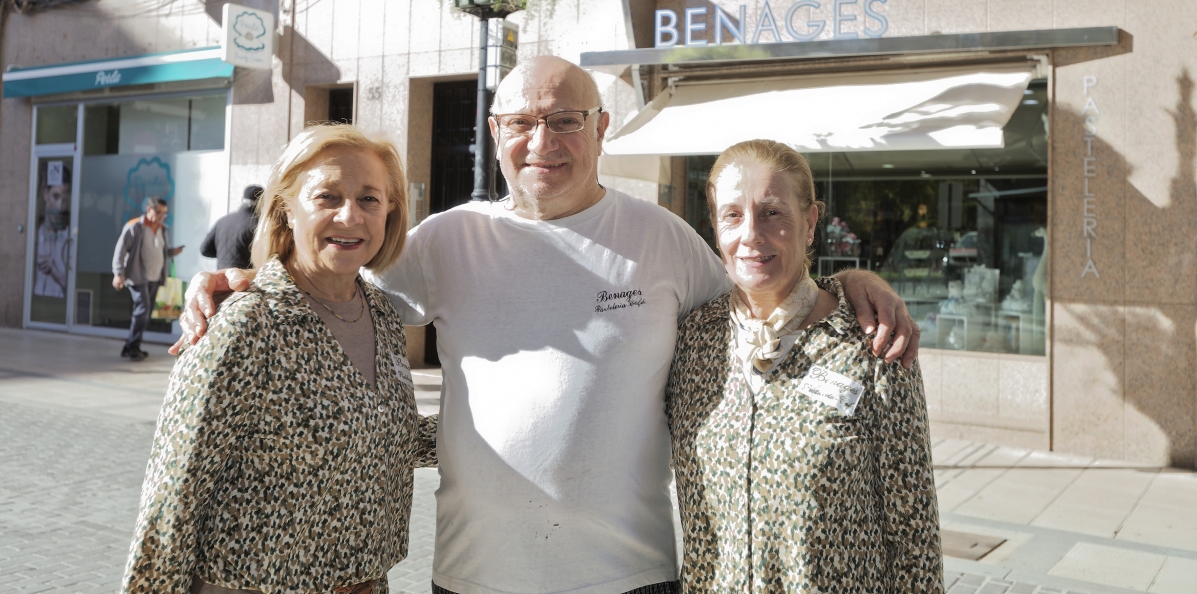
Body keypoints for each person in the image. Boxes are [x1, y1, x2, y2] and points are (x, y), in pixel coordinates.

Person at [178, 57, 921, 594]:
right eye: (522, 123)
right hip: (474, 576)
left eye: (566, 121)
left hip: (630, 577)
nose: (544, 141)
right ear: (494, 132)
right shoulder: (446, 240)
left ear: (600, 129)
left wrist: (849, 284)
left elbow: (762, 295)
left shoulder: (661, 237)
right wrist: (243, 282)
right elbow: (331, 291)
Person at [122, 124, 438, 594]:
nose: (350, 216)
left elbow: (386, 438)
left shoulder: (382, 316)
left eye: (369, 199)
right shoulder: (246, 323)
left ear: (390, 211)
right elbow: (173, 498)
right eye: (327, 197)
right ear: (287, 209)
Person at [666, 139, 942, 593]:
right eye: (732, 214)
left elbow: (914, 531)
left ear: (810, 222)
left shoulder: (872, 344)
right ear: (714, 227)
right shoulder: (693, 339)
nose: (751, 234)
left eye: (772, 212)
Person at [112, 197, 184, 361]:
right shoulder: (135, 226)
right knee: (142, 311)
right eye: (158, 212)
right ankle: (132, 347)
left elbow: (162, 252)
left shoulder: (162, 229)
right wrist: (118, 273)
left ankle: (131, 346)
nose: (161, 216)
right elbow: (120, 251)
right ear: (149, 209)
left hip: (155, 277)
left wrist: (173, 252)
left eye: (164, 214)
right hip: (138, 276)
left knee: (146, 313)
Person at [199, 184, 263, 269]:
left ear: (242, 199)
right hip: (243, 275)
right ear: (261, 203)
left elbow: (204, 250)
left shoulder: (222, 221)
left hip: (220, 275)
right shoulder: (258, 225)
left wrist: (224, 256)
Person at [34, 164, 71, 298]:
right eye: (56, 196)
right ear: (45, 194)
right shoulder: (34, 235)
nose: (60, 207)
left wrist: (54, 272)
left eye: (64, 200)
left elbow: (75, 287)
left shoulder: (68, 237)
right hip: (36, 301)